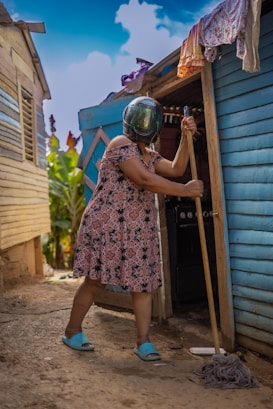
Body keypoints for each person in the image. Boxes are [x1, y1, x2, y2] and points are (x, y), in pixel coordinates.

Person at [62, 96, 204, 361]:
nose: (144, 125)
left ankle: (143, 342)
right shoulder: (120, 144)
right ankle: (72, 332)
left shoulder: (148, 154)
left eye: (148, 120)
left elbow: (176, 168)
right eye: (140, 119)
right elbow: (144, 179)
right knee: (95, 281)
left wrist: (186, 137)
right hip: (107, 226)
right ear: (130, 120)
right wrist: (185, 190)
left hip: (137, 229)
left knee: (143, 284)